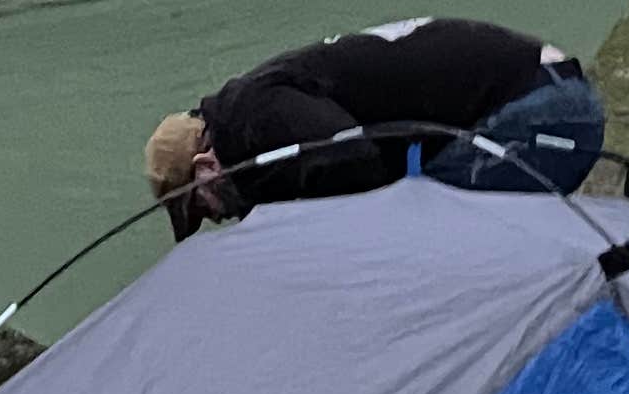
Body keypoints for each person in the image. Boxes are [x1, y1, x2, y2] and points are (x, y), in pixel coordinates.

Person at [143, 17, 605, 238]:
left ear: (205, 166)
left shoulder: (253, 112)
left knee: (432, 242)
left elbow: (352, 154)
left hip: (540, 111)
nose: (213, 218)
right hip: (545, 105)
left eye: (198, 205)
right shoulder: (256, 115)